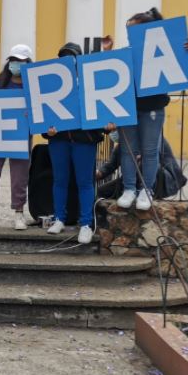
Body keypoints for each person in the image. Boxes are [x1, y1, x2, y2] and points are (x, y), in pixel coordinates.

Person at [112, 7, 188, 211]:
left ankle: (146, 190)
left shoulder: (162, 51)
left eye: (133, 30)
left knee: (150, 151)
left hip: (153, 108)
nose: (129, 34)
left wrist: (186, 53)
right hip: (128, 107)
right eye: (128, 30)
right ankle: (129, 189)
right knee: (128, 151)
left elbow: (178, 69)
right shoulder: (126, 53)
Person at [43, 42, 111, 245]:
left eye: (72, 57)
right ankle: (59, 219)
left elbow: (101, 108)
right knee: (59, 180)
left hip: (84, 140)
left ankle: (86, 224)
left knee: (85, 182)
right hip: (59, 140)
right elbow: (43, 113)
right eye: (64, 57)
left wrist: (107, 126)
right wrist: (47, 130)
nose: (68, 61)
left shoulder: (89, 83)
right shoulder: (50, 85)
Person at [0, 44, 33, 231]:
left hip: (21, 136)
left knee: (20, 176)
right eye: (13, 60)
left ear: (28, 63)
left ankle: (19, 212)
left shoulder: (32, 85)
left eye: (20, 61)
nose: (16, 63)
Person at [97, 132, 186, 200]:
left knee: (146, 164)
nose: (114, 133)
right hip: (132, 181)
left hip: (163, 180)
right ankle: (131, 192)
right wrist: (98, 173)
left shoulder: (151, 136)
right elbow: (110, 166)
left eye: (116, 129)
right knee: (100, 192)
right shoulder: (121, 147)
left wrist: (138, 157)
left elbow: (153, 155)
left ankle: (144, 193)